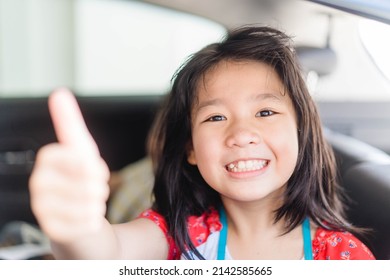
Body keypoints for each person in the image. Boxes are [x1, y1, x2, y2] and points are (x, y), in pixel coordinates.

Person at [29, 26, 375, 260]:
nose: (241, 134)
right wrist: (77, 229)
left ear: (302, 132)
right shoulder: (181, 234)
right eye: (215, 117)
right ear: (190, 149)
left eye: (265, 112)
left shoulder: (341, 255)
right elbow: (107, 252)